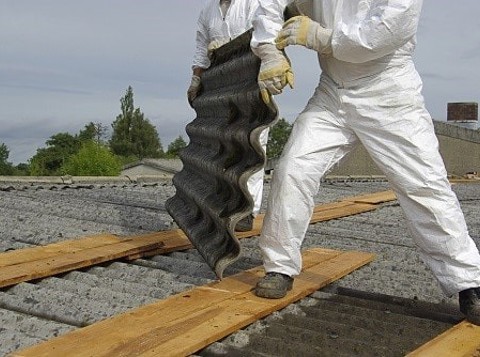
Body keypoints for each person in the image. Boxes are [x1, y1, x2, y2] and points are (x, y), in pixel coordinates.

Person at [249, 0, 480, 325]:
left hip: (389, 93)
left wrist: (320, 37)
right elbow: (270, 4)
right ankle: (279, 267)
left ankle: (469, 282)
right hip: (332, 94)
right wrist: (270, 51)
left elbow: (379, 35)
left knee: (424, 185)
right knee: (292, 169)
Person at [188, 0, 268, 232]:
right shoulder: (209, 12)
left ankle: (247, 210)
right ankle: (222, 203)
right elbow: (201, 48)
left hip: (253, 80)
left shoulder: (254, 3)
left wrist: (233, 47)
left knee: (252, 144)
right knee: (223, 144)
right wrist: (196, 79)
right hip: (222, 84)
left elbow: (267, 34)